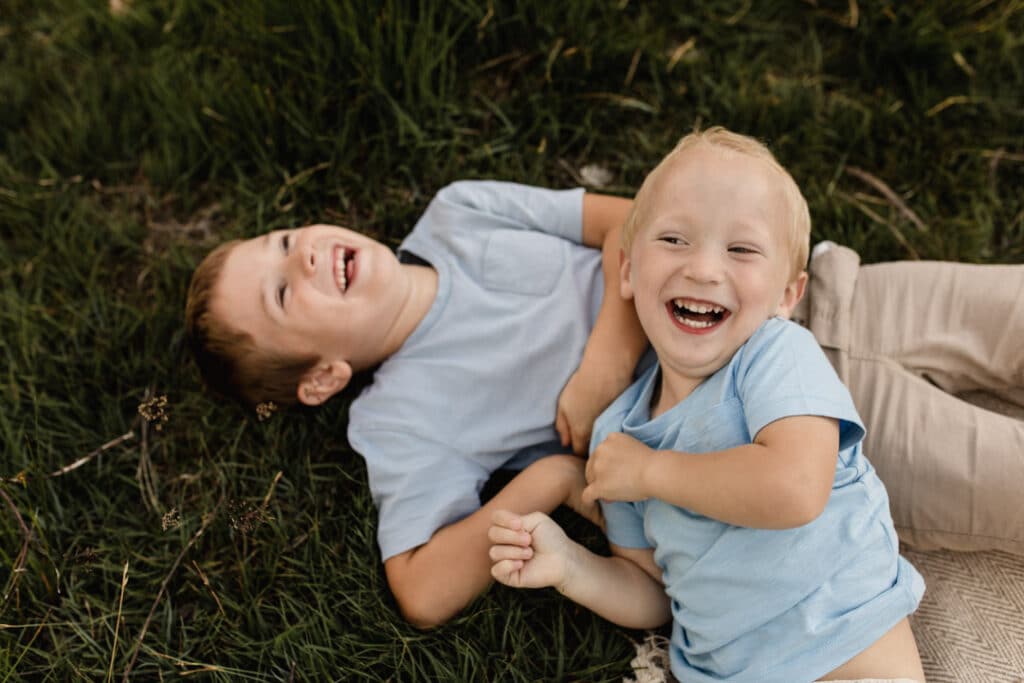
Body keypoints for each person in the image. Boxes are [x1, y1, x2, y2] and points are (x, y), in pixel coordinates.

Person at [489, 127, 927, 682]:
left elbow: (794, 488)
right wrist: (572, 567)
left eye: (741, 249)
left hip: (848, 644)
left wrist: (651, 472)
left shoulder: (775, 356)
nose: (703, 268)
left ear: (787, 298)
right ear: (627, 270)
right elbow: (653, 594)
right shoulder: (616, 439)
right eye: (674, 240)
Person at [185, 180, 648, 628]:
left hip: (688, 297)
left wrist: (611, 355)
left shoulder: (460, 210)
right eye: (282, 294)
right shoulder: (398, 421)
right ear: (323, 376)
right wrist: (553, 478)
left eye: (283, 242)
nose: (303, 255)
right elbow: (421, 592)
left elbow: (632, 220)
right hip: (675, 424)